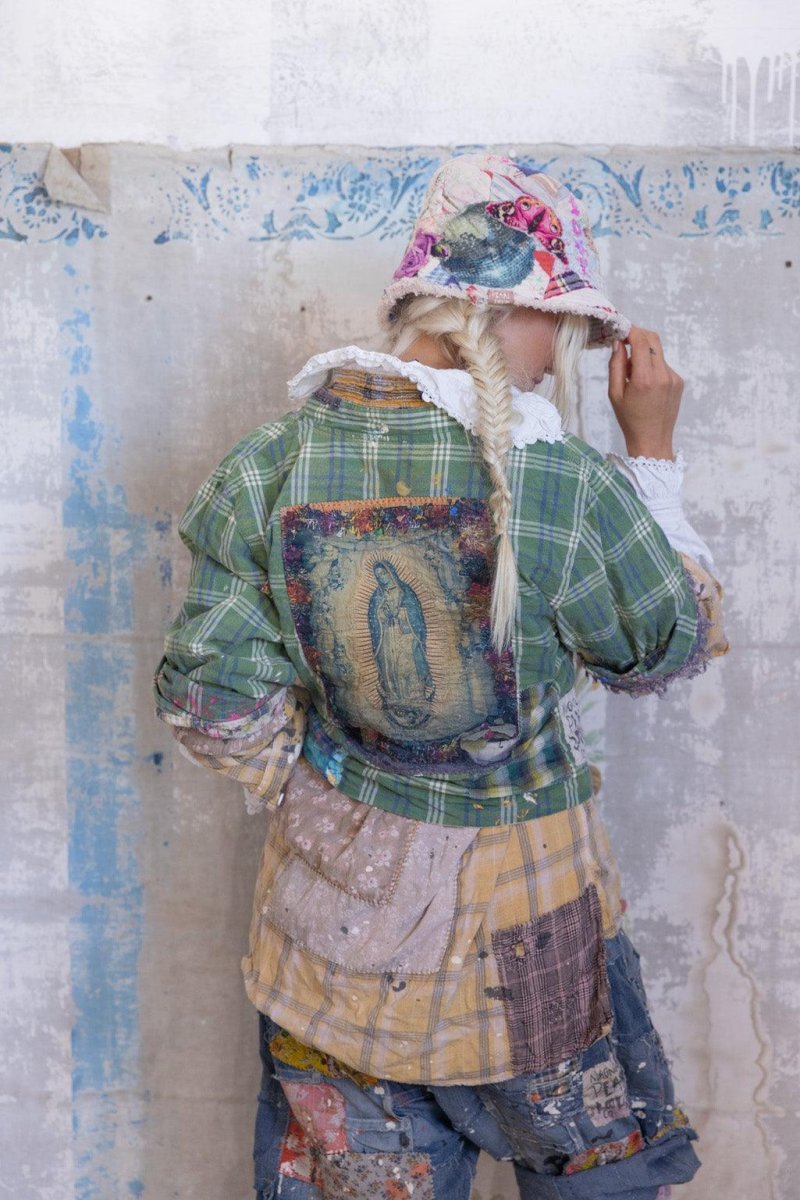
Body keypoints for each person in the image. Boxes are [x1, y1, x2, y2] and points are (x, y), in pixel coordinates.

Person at [153, 152, 729, 1200]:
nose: (560, 352)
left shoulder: (266, 465)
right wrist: (652, 455)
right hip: (533, 940)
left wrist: (338, 788)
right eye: (562, 324)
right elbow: (668, 645)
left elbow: (212, 705)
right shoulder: (564, 481)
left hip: (331, 940)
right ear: (514, 312)